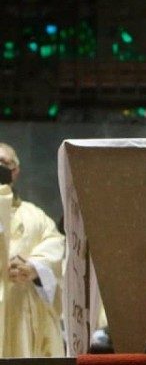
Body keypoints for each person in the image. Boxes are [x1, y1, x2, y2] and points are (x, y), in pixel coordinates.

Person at [0, 143, 64, 357]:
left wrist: (33, 266)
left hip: (22, 309)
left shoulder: (35, 216)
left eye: (4, 163)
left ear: (15, 171)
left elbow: (54, 243)